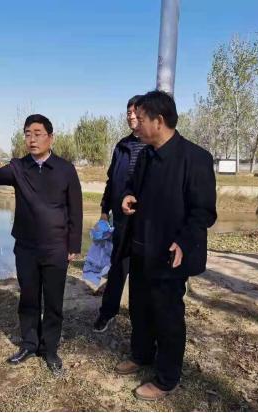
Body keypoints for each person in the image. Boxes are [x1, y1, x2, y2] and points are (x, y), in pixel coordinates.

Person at [114, 90, 217, 401]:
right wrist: (127, 196)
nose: (136, 123)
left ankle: (167, 378)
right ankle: (141, 354)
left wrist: (183, 242)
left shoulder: (195, 158)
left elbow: (203, 212)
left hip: (170, 253)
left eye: (141, 119)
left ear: (158, 121)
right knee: (140, 308)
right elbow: (133, 187)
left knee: (167, 315)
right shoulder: (146, 155)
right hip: (141, 247)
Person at [0, 114, 82, 375]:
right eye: (28, 134)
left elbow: (76, 208)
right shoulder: (19, 167)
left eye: (38, 134)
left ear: (51, 137)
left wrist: (73, 245)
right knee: (28, 297)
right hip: (26, 247)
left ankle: (50, 349)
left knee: (53, 301)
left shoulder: (65, 169)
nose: (32, 139)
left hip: (56, 247)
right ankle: (29, 344)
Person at [93, 95, 145, 333]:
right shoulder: (122, 146)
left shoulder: (154, 146)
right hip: (122, 220)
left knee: (142, 272)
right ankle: (107, 312)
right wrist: (105, 211)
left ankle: (139, 319)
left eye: (135, 112)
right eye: (128, 112)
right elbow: (111, 181)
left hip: (145, 220)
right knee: (117, 266)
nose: (131, 116)